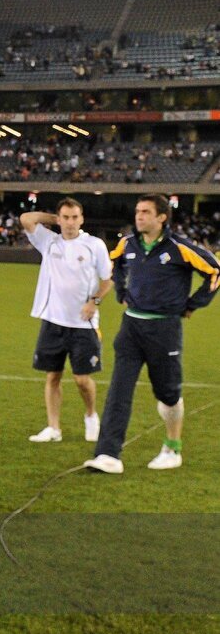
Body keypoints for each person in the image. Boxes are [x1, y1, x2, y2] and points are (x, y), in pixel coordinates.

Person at [85, 194, 220, 474]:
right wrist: (121, 291)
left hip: (165, 329)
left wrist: (193, 304)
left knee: (168, 394)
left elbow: (215, 272)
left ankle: (172, 447)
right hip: (131, 327)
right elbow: (114, 265)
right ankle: (108, 454)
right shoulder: (127, 243)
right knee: (118, 392)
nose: (139, 216)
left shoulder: (180, 247)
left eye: (146, 212)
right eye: (137, 211)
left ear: (161, 217)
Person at [20, 198, 113, 443]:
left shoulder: (94, 245)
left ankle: (91, 416)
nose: (70, 223)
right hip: (53, 321)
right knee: (52, 376)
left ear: (82, 219)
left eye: (74, 217)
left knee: (83, 379)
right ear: (59, 218)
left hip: (83, 324)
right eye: (65, 217)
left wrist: (94, 302)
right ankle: (53, 428)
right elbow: (26, 219)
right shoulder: (49, 242)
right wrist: (55, 220)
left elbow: (107, 279)